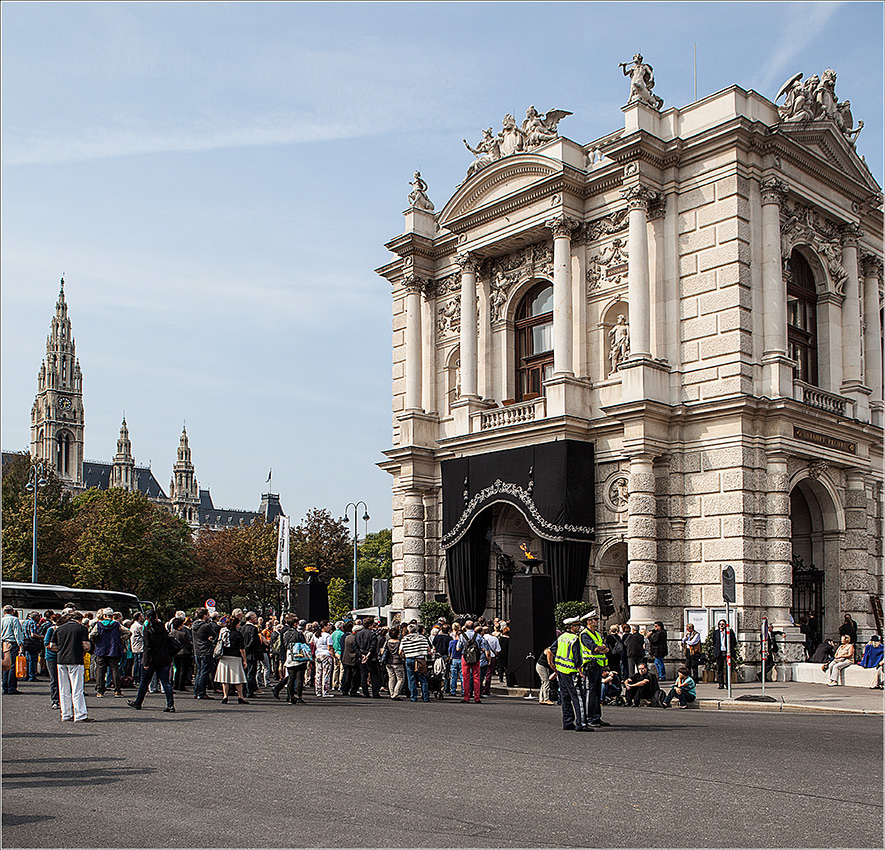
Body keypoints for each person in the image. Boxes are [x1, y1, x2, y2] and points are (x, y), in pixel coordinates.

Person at [49, 611, 95, 723]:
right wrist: (83, 649)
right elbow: (86, 645)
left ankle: (66, 714)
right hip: (75, 659)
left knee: (64, 688)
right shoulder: (81, 628)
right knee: (77, 688)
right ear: (79, 619)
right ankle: (80, 715)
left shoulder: (59, 628)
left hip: (61, 660)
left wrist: (61, 649)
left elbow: (51, 646)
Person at [128, 609, 175, 712]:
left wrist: (145, 661)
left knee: (144, 682)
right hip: (164, 658)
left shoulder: (148, 629)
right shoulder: (162, 628)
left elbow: (147, 647)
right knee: (166, 683)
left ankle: (138, 702)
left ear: (146, 618)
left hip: (152, 659)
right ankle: (170, 705)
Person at [546, 617, 588, 731]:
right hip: (571, 672)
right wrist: (580, 668)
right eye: (577, 626)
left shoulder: (562, 637)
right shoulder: (574, 639)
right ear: (572, 627)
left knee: (565, 698)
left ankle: (567, 722)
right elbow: (577, 656)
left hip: (561, 671)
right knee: (578, 698)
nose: (578, 628)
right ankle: (581, 723)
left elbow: (552, 649)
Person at [89, 607, 130, 698]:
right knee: (115, 670)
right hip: (113, 650)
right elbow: (128, 632)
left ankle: (100, 691)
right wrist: (121, 640)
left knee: (100, 671)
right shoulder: (116, 625)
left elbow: (91, 635)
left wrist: (96, 641)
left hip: (101, 650)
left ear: (104, 616)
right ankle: (117, 690)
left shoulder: (99, 625)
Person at [579, 611, 610, 727]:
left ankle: (596, 717)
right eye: (595, 619)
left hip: (598, 665)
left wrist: (601, 648)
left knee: (597, 692)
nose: (597, 621)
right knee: (590, 692)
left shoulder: (596, 634)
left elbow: (605, 648)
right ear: (589, 621)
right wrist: (601, 648)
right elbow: (594, 649)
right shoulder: (585, 634)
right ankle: (589, 717)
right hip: (590, 666)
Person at [212, 615, 249, 705]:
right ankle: (240, 696)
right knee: (238, 678)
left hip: (224, 656)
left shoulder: (223, 632)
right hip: (235, 657)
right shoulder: (238, 634)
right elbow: (242, 649)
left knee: (225, 678)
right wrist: (245, 660)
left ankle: (225, 696)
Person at [273, 615, 310, 704]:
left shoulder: (285, 633)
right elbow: (303, 644)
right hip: (299, 656)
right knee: (300, 678)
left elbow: (285, 645)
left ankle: (290, 697)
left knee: (291, 677)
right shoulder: (298, 633)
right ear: (295, 624)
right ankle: (299, 696)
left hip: (290, 656)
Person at [399, 623, 432, 702]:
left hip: (409, 658)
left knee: (411, 678)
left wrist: (403, 656)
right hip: (420, 659)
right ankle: (425, 697)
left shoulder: (405, 639)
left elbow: (400, 651)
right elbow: (429, 649)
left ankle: (413, 696)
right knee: (423, 679)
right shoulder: (423, 638)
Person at [458, 620, 488, 704]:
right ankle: (477, 697)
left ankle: (466, 697)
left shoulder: (462, 636)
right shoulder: (478, 636)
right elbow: (483, 648)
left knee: (466, 678)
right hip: (476, 657)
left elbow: (458, 648)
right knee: (476, 678)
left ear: (465, 627)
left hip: (465, 657)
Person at [354, 616, 382, 698]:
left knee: (363, 675)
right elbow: (373, 646)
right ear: (370, 625)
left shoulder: (358, 634)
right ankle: (375, 692)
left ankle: (365, 692)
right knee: (375, 675)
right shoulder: (372, 634)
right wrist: (368, 655)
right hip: (371, 657)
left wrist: (361, 654)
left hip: (361, 657)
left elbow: (355, 646)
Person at [191, 608, 216, 700]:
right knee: (204, 672)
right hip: (206, 650)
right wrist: (210, 639)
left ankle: (196, 691)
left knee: (199, 671)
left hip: (197, 650)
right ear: (205, 615)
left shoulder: (194, 626)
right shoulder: (206, 626)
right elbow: (214, 635)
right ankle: (201, 692)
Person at [1, 605, 26, 694]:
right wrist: (20, 645)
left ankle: (4, 687)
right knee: (12, 665)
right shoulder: (14, 619)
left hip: (3, 642)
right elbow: (17, 632)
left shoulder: (2, 620)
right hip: (12, 643)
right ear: (12, 611)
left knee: (4, 665)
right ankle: (11, 687)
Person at [240, 612, 262, 697]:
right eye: (255, 617)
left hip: (244, 653)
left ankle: (244, 690)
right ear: (251, 618)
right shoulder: (253, 629)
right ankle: (250, 691)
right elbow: (253, 641)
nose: (256, 619)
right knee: (251, 673)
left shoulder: (241, 628)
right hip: (251, 654)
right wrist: (248, 648)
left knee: (245, 673)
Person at [712, 619, 738, 689]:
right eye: (720, 624)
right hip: (719, 652)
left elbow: (734, 642)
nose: (721, 625)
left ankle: (727, 684)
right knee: (719, 669)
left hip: (727, 652)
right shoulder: (716, 632)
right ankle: (721, 683)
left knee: (728, 668)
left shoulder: (729, 632)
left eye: (723, 624)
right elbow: (714, 642)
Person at [43, 612, 62, 709]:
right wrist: (58, 649)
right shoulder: (51, 630)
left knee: (58, 679)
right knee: (54, 679)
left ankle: (59, 700)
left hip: (59, 657)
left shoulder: (61, 630)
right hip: (52, 657)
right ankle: (55, 700)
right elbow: (46, 644)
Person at [383, 626, 405, 700]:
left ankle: (391, 692)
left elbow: (383, 651)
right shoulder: (399, 643)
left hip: (388, 661)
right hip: (397, 661)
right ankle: (396, 693)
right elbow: (400, 652)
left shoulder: (387, 642)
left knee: (391, 678)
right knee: (400, 678)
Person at [313, 621, 335, 698]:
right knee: (326, 673)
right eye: (328, 625)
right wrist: (333, 656)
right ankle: (325, 691)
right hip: (326, 655)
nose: (330, 627)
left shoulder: (315, 635)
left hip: (318, 654)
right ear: (324, 626)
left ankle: (318, 690)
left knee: (318, 673)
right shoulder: (327, 635)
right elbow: (330, 647)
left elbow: (313, 644)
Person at [340, 622, 361, 697]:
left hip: (346, 657)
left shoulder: (347, 637)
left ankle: (345, 689)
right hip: (353, 658)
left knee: (347, 675)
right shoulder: (355, 638)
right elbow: (356, 648)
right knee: (355, 675)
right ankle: (353, 690)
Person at [129, 612, 145, 687]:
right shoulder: (139, 626)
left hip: (134, 646)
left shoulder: (133, 625)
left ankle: (135, 678)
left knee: (136, 662)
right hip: (139, 647)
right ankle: (137, 678)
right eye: (141, 616)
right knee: (139, 663)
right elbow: (144, 635)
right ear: (139, 617)